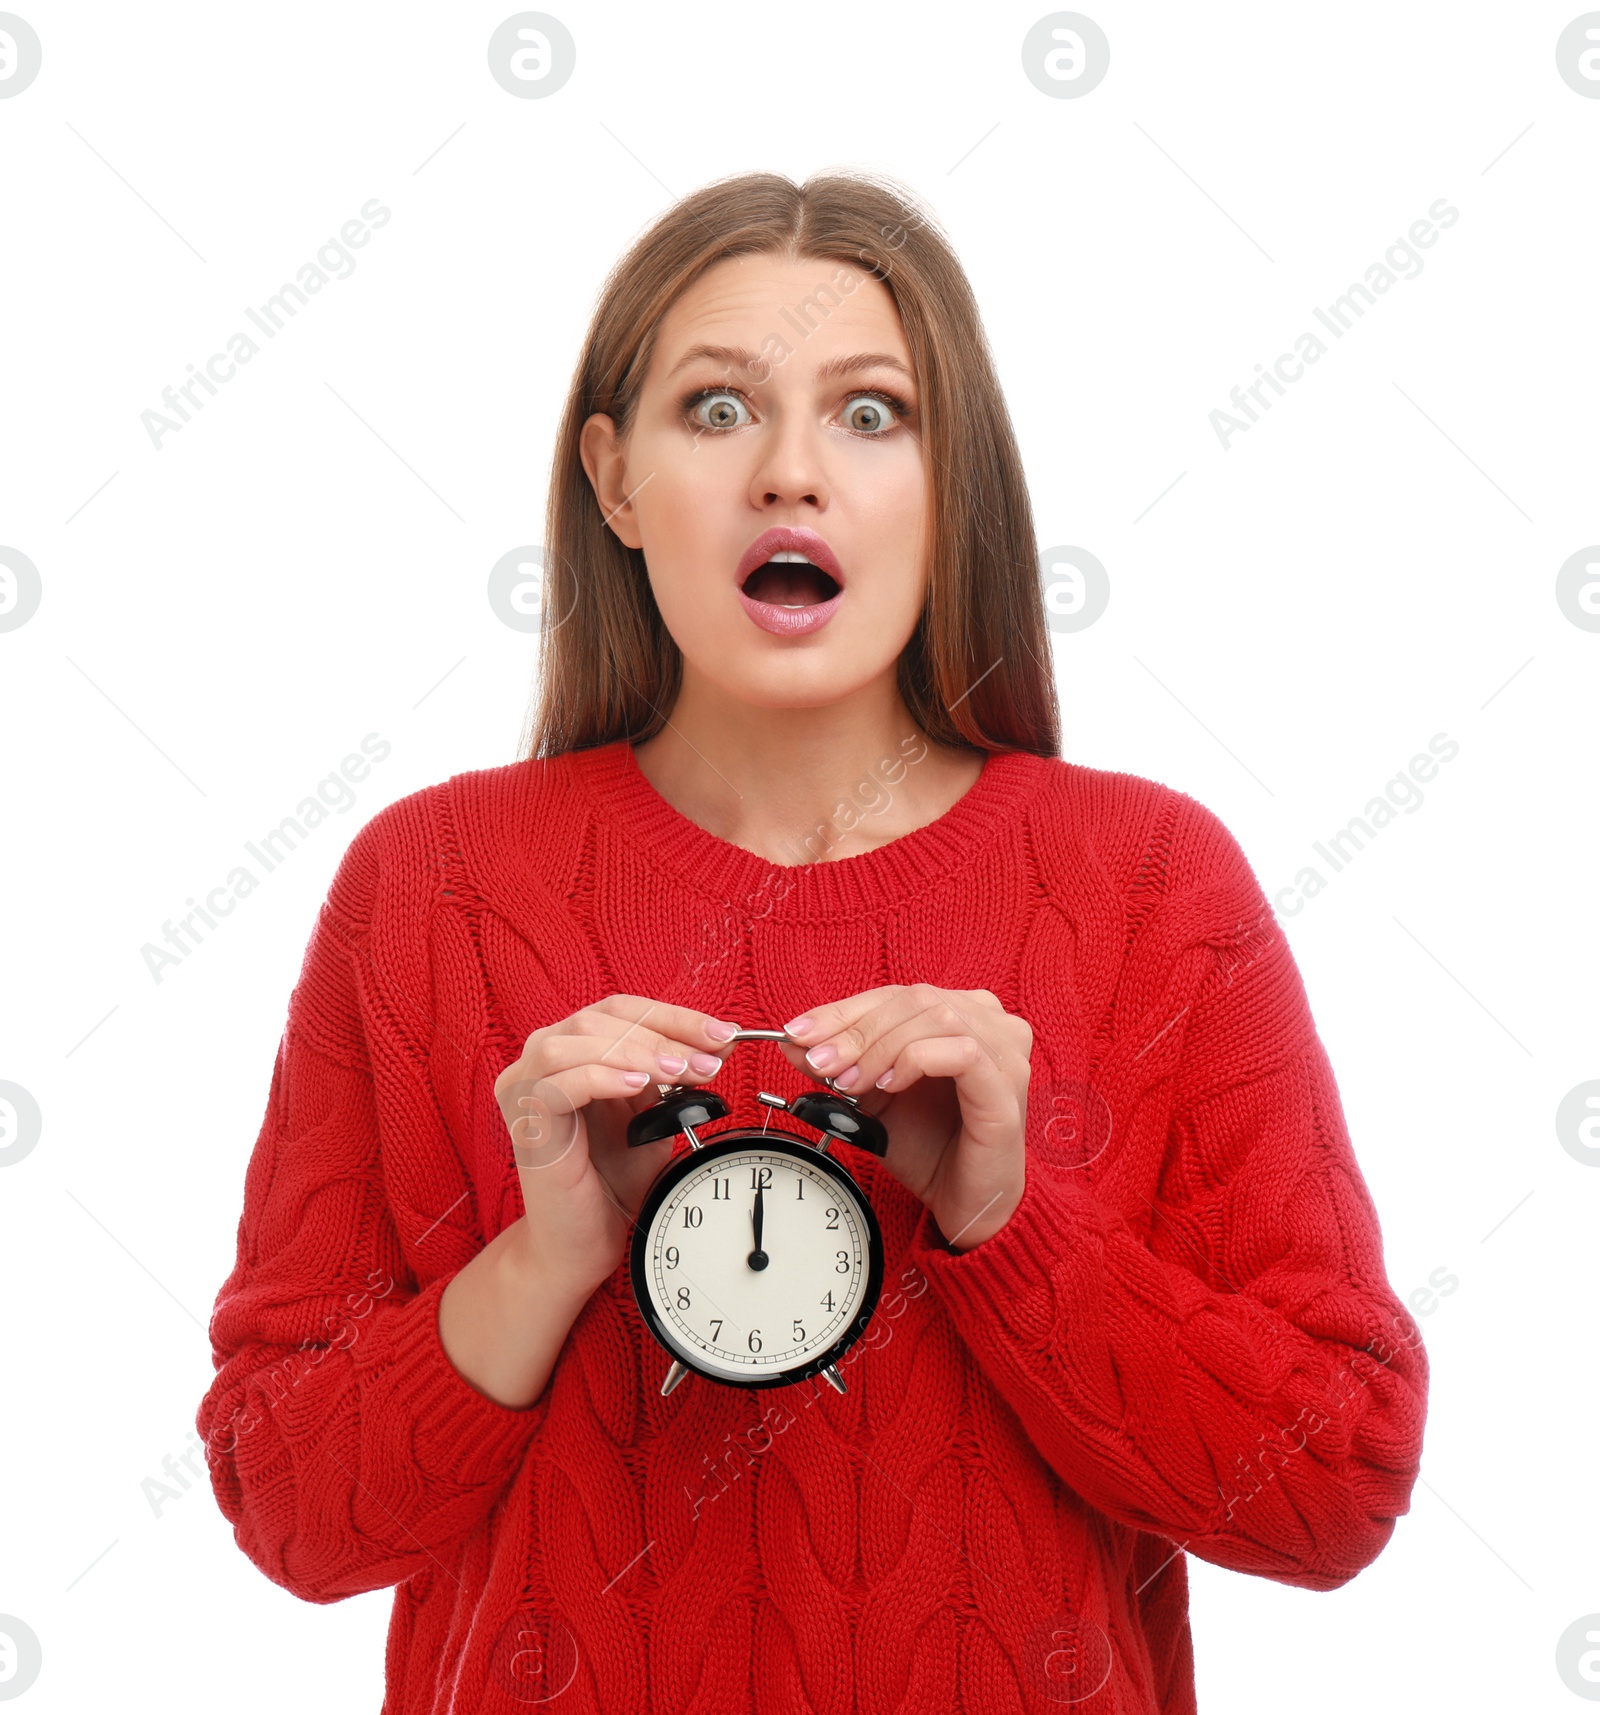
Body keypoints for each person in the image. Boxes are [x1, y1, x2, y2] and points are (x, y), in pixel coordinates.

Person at [198, 169, 1428, 1713]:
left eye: (872, 413)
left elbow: (1338, 1489)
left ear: (952, 481)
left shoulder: (1151, 884)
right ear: (614, 480)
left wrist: (1009, 1225)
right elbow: (288, 1512)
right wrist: (550, 1257)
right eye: (716, 411)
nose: (791, 473)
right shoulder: (429, 886)